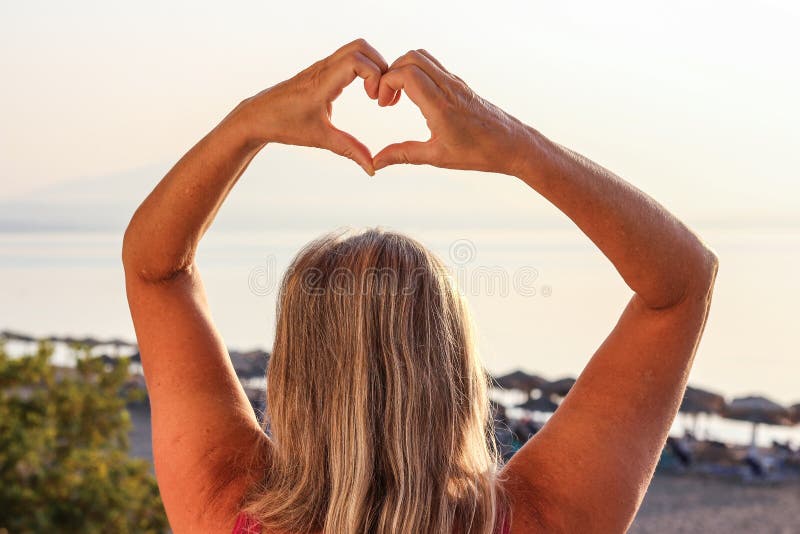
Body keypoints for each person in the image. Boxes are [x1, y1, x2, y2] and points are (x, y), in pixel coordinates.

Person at [122, 39, 718, 533]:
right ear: (455, 372)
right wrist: (516, 147)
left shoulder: (222, 506)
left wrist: (248, 124)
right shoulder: (542, 517)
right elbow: (680, 287)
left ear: (292, 378)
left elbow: (156, 271)